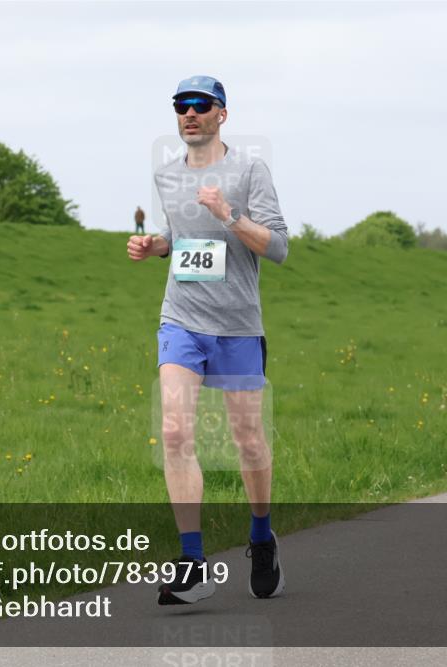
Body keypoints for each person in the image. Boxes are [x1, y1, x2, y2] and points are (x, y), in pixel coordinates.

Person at [126, 75, 289, 605]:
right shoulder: (166, 175)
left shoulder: (249, 170)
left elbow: (278, 247)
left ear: (222, 114)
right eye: (181, 105)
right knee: (174, 432)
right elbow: (180, 240)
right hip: (181, 319)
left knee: (248, 441)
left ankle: (261, 537)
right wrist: (156, 247)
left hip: (238, 325)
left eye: (200, 105)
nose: (188, 113)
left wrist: (230, 214)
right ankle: (192, 562)